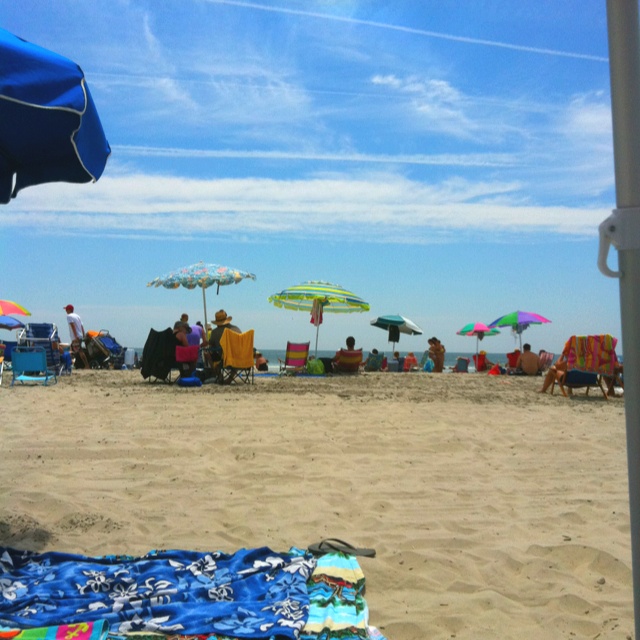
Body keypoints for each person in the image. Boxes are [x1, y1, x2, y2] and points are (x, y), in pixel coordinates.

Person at [63, 304, 89, 369]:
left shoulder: (69, 316)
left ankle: (86, 365)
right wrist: (83, 334)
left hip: (75, 337)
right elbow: (81, 326)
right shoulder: (77, 316)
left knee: (79, 351)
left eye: (66, 309)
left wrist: (75, 336)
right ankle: (71, 364)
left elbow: (72, 326)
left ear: (69, 310)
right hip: (79, 335)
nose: (66, 311)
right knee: (72, 350)